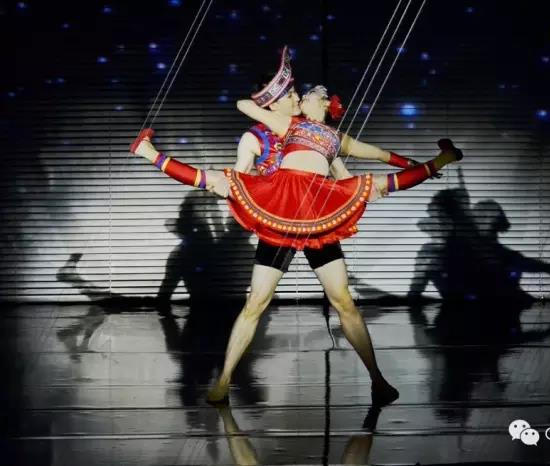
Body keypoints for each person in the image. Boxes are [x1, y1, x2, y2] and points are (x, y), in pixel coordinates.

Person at [129, 47, 463, 406]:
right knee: (256, 300)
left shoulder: (330, 136)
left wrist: (415, 165)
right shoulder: (280, 129)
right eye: (295, 94)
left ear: (325, 104)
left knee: (344, 300)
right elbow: (244, 119)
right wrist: (243, 186)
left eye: (304, 94)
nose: (300, 97)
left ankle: (378, 380)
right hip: (281, 209)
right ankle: (224, 380)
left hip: (318, 214)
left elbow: (371, 161)